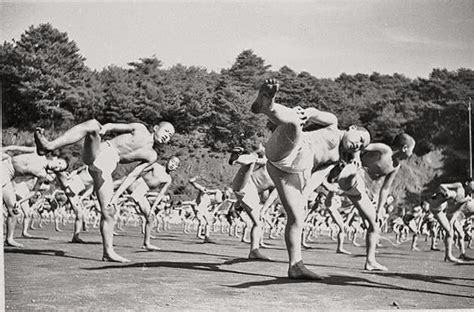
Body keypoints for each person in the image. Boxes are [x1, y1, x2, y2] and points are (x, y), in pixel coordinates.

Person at [251, 79, 372, 279]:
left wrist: (305, 195)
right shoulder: (333, 125)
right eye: (359, 139)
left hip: (294, 171)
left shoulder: (336, 159)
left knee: (297, 217)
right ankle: (267, 106)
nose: (358, 145)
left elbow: (316, 178)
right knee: (295, 124)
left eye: (361, 146)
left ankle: (295, 266)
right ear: (352, 127)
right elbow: (316, 113)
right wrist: (308, 113)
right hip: (290, 147)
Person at [34, 119, 175, 262]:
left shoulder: (152, 155)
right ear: (156, 127)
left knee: (109, 211)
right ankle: (48, 146)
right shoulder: (140, 128)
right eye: (166, 131)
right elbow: (112, 126)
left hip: (107, 165)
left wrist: (116, 196)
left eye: (170, 136)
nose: (167, 136)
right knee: (93, 125)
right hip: (99, 150)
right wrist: (104, 129)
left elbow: (132, 176)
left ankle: (108, 252)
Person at [3, 146, 67, 247]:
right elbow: (15, 147)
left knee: (13, 211)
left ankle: (9, 239)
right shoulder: (38, 153)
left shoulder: (42, 175)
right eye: (59, 163)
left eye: (59, 169)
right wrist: (3, 150)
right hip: (4, 166)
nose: (57, 167)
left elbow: (33, 191)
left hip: (8, 178)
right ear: (56, 159)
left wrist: (20, 202)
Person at [113, 156, 179, 250]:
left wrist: (153, 208)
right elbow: (139, 171)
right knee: (118, 183)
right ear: (168, 160)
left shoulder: (168, 179)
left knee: (150, 217)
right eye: (172, 161)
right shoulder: (156, 166)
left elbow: (160, 195)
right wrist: (130, 179)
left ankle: (146, 243)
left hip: (142, 191)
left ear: (177, 168)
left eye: (176, 164)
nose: (173, 165)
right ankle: (97, 188)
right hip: (137, 183)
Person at [230, 147, 278, 261]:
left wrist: (263, 210)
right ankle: (254, 251)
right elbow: (272, 197)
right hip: (245, 186)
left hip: (245, 189)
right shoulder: (270, 165)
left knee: (258, 223)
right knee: (253, 160)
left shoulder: (275, 174)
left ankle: (254, 251)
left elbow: (272, 197)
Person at [429, 179, 474, 263]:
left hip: (439, 209)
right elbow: (442, 185)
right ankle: (450, 255)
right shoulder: (459, 186)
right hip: (436, 205)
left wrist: (451, 221)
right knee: (450, 232)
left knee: (450, 232)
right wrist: (446, 191)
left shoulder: (465, 198)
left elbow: (455, 211)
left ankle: (449, 256)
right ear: (467, 183)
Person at [54, 165, 94, 243]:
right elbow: (77, 170)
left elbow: (91, 188)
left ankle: (75, 237)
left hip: (75, 192)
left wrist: (82, 197)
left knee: (80, 214)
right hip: (72, 182)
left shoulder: (99, 175)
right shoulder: (88, 165)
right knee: (59, 171)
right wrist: (71, 176)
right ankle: (50, 166)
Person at [188, 177, 223, 243]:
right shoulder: (204, 191)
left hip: (203, 208)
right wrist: (192, 181)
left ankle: (206, 237)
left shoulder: (214, 198)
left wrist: (213, 212)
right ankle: (205, 237)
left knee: (207, 222)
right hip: (200, 208)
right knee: (204, 222)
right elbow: (198, 186)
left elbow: (216, 205)